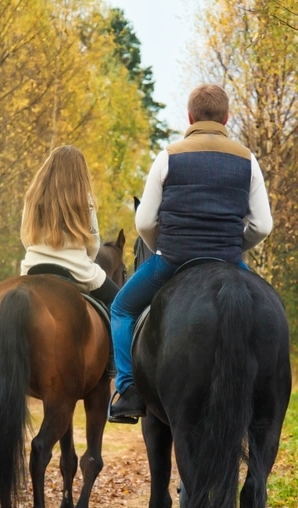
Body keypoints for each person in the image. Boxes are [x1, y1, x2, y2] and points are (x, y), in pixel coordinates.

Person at [108, 83, 273, 423]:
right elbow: (262, 226)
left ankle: (128, 390)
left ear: (190, 116)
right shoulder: (247, 160)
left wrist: (162, 249)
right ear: (227, 117)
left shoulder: (169, 155)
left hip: (171, 260)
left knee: (121, 308)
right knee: (266, 313)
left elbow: (144, 221)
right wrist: (231, 247)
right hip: (228, 260)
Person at [19, 144, 119, 313]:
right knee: (121, 304)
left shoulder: (33, 197)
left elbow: (25, 237)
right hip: (77, 269)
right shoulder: (84, 200)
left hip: (32, 266)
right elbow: (93, 246)